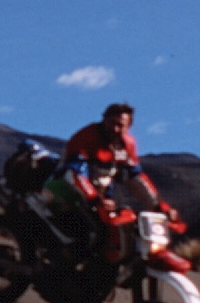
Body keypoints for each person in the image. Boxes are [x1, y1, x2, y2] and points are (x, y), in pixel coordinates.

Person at [46, 102, 187, 266]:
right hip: (66, 192)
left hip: (100, 198)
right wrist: (96, 200)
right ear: (104, 120)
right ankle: (55, 274)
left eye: (120, 125)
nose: (115, 129)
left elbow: (135, 178)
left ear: (128, 127)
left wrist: (158, 207)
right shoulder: (87, 136)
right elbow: (75, 173)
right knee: (82, 236)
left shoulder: (127, 145)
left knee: (114, 237)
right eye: (112, 123)